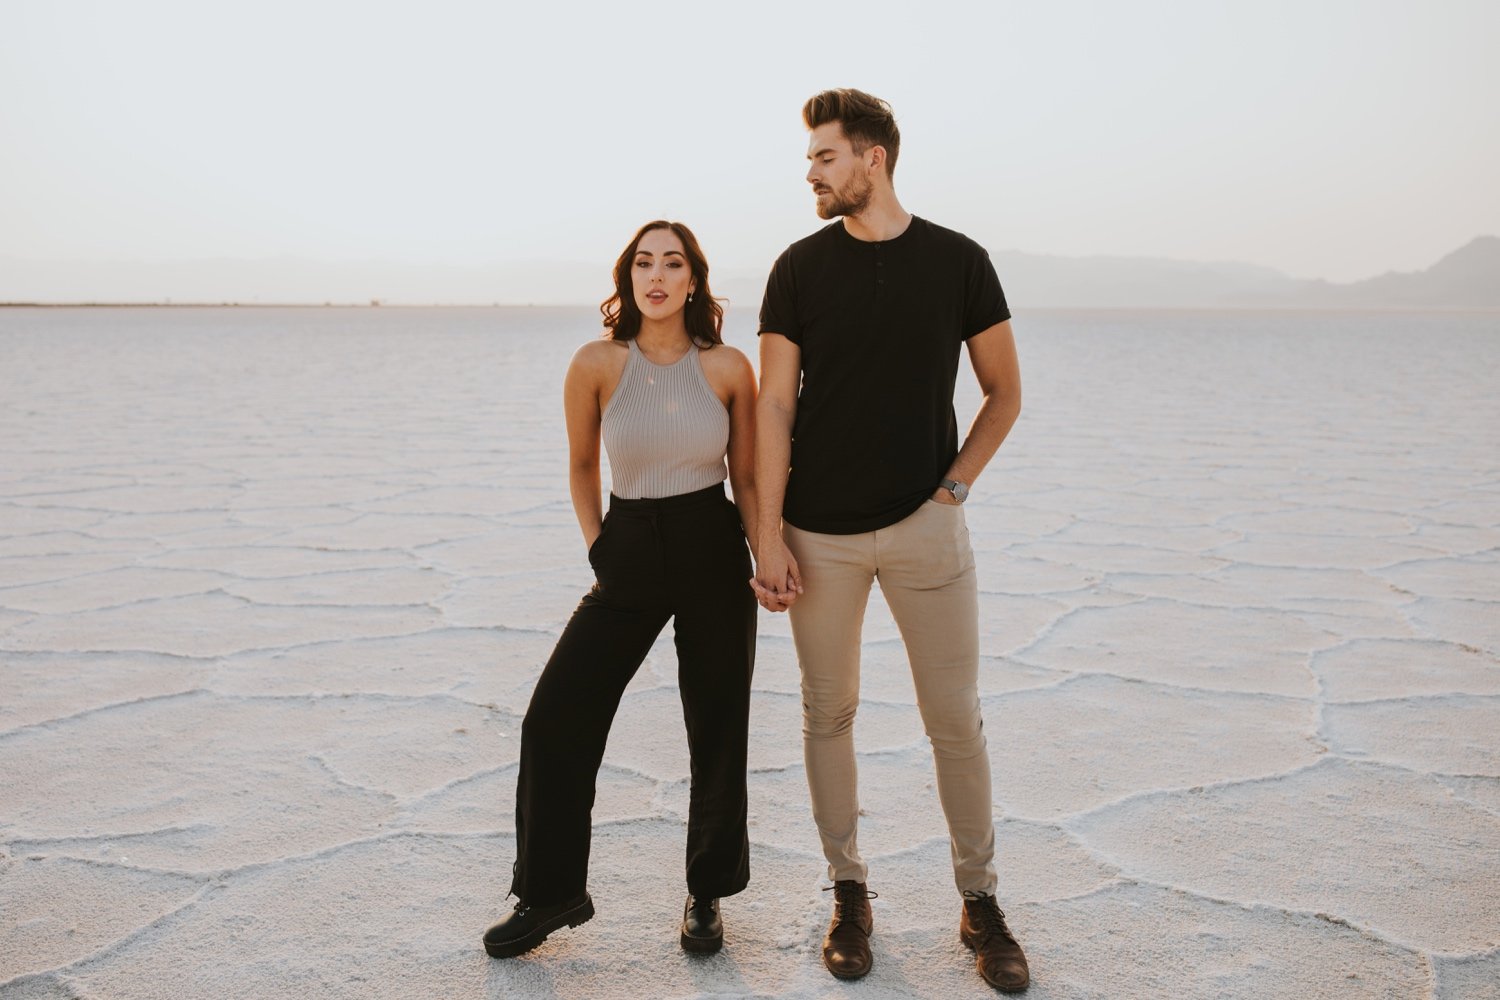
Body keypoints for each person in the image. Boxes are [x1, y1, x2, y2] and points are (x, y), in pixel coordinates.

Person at [750, 89, 1030, 992]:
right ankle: (848, 892)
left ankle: (980, 902)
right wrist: (767, 534)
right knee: (826, 714)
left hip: (925, 529)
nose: (811, 173)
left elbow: (1003, 393)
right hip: (816, 537)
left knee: (956, 723)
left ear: (871, 158)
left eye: (824, 158)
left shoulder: (960, 262)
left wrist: (952, 492)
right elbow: (775, 405)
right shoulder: (796, 268)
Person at [484, 221, 759, 959]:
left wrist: (765, 554)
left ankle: (706, 895)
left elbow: (751, 475)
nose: (657, 275)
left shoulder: (730, 367)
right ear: (627, 277)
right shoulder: (597, 363)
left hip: (711, 541)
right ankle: (550, 892)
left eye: (673, 263)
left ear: (694, 279)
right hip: (629, 543)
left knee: (717, 722)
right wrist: (600, 548)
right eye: (644, 262)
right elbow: (580, 466)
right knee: (555, 717)